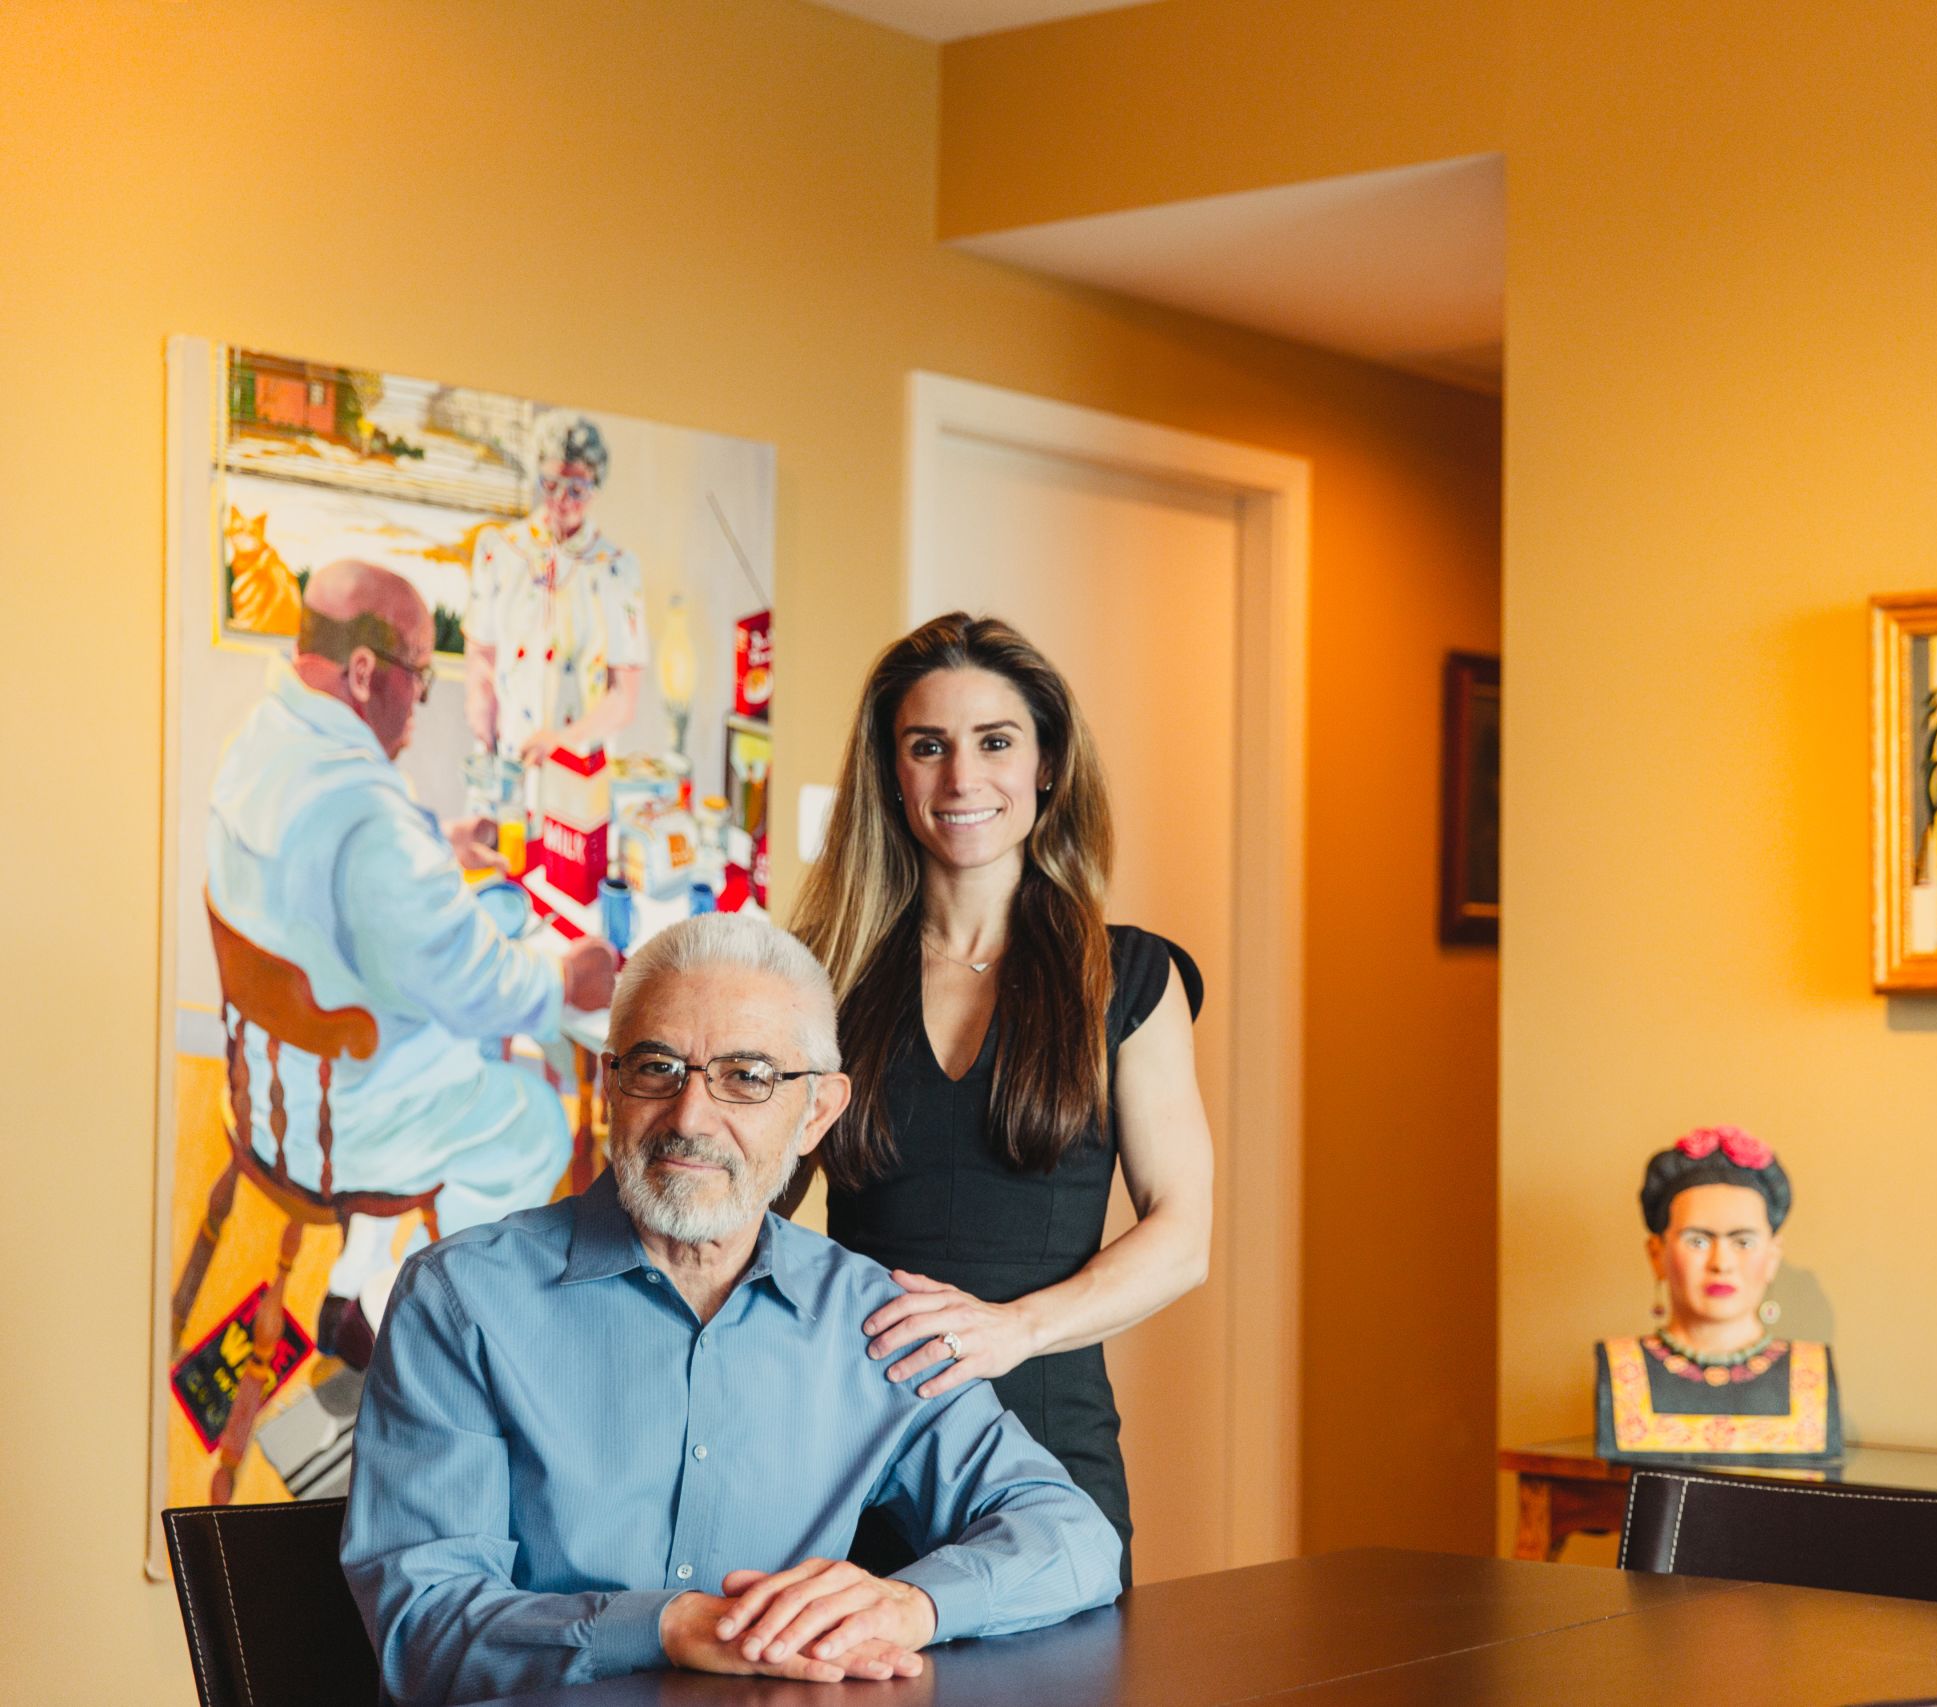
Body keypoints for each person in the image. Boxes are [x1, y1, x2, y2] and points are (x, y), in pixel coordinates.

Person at [340, 916, 1122, 1706]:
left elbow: (1071, 1535)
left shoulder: (870, 1322)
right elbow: (424, 1623)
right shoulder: (462, 1300)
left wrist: (912, 1603)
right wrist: (669, 1626)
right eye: (657, 1067)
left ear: (816, 1111)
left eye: (746, 1075)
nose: (689, 1117)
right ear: (612, 1082)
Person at [792, 612, 1214, 1586]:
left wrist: (1011, 1328)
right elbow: (750, 1201)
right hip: (847, 1443)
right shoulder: (824, 976)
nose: (960, 779)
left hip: (1046, 1443)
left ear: (1047, 765)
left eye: (994, 742)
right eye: (926, 747)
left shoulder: (1130, 979)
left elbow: (1182, 1237)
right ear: (890, 774)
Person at [205, 559, 617, 1365]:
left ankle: (360, 1281)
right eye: (419, 678)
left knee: (459, 1023)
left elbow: (330, 862)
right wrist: (567, 978)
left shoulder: (269, 731)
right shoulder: (367, 815)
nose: (419, 704)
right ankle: (432, 1328)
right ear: (364, 671)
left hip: (274, 1080)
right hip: (340, 1116)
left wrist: (433, 839)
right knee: (530, 1111)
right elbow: (475, 983)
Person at [1594, 1126, 1841, 1466]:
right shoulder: (1623, 1370)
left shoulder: (1809, 1374)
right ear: (1657, 1254)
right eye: (1698, 1241)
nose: (1721, 1263)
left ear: (1772, 1256)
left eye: (1743, 1242)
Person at [463, 412, 648, 765]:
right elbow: (480, 656)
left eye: (577, 490)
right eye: (551, 485)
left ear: (595, 488)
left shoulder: (619, 570)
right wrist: (482, 715)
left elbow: (624, 697)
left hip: (579, 760)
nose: (562, 500)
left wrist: (563, 741)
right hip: (505, 755)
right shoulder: (499, 550)